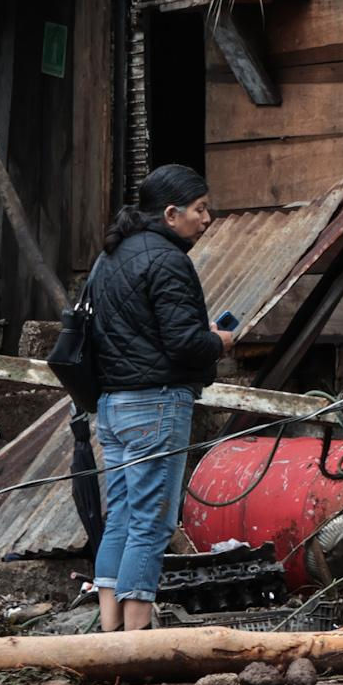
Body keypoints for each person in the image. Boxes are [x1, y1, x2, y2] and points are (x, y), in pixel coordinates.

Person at [85, 164, 235, 631]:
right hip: (156, 404)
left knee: (122, 518)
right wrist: (220, 342)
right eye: (199, 209)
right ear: (171, 214)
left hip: (112, 406)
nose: (206, 219)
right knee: (152, 523)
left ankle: (110, 632)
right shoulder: (168, 260)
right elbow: (184, 343)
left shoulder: (110, 256)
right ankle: (136, 638)